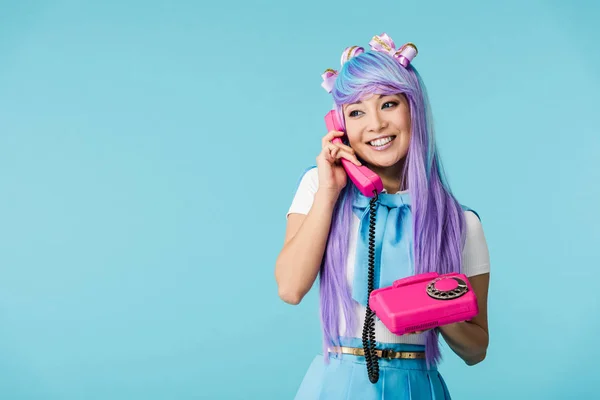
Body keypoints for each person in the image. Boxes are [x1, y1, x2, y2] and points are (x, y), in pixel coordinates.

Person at [274, 33, 490, 399]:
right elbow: (290, 288)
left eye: (388, 104)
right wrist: (330, 191)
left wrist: (435, 306)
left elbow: (476, 350)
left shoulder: (459, 223)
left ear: (413, 109)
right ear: (339, 125)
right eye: (356, 112)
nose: (374, 124)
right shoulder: (319, 187)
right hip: (336, 383)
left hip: (416, 384)